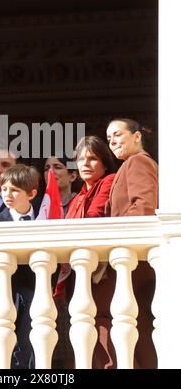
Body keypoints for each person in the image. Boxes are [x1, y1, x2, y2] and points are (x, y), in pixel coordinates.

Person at [55, 136, 116, 369]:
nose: (85, 164)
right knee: (82, 333)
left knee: (102, 330)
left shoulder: (109, 181)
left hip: (100, 272)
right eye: (80, 159)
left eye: (92, 159)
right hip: (78, 274)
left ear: (104, 162)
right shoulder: (79, 195)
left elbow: (94, 217)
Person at [106, 117, 158, 368]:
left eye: (117, 134)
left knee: (101, 310)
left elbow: (143, 207)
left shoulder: (138, 162)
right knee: (141, 322)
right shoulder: (128, 165)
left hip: (134, 258)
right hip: (133, 259)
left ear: (137, 136)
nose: (112, 141)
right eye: (109, 138)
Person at [0, 164, 40, 369]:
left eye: (14, 190)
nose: (7, 194)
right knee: (9, 345)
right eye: (4, 189)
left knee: (33, 342)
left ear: (31, 194)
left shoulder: (43, 216)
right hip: (7, 292)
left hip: (36, 290)